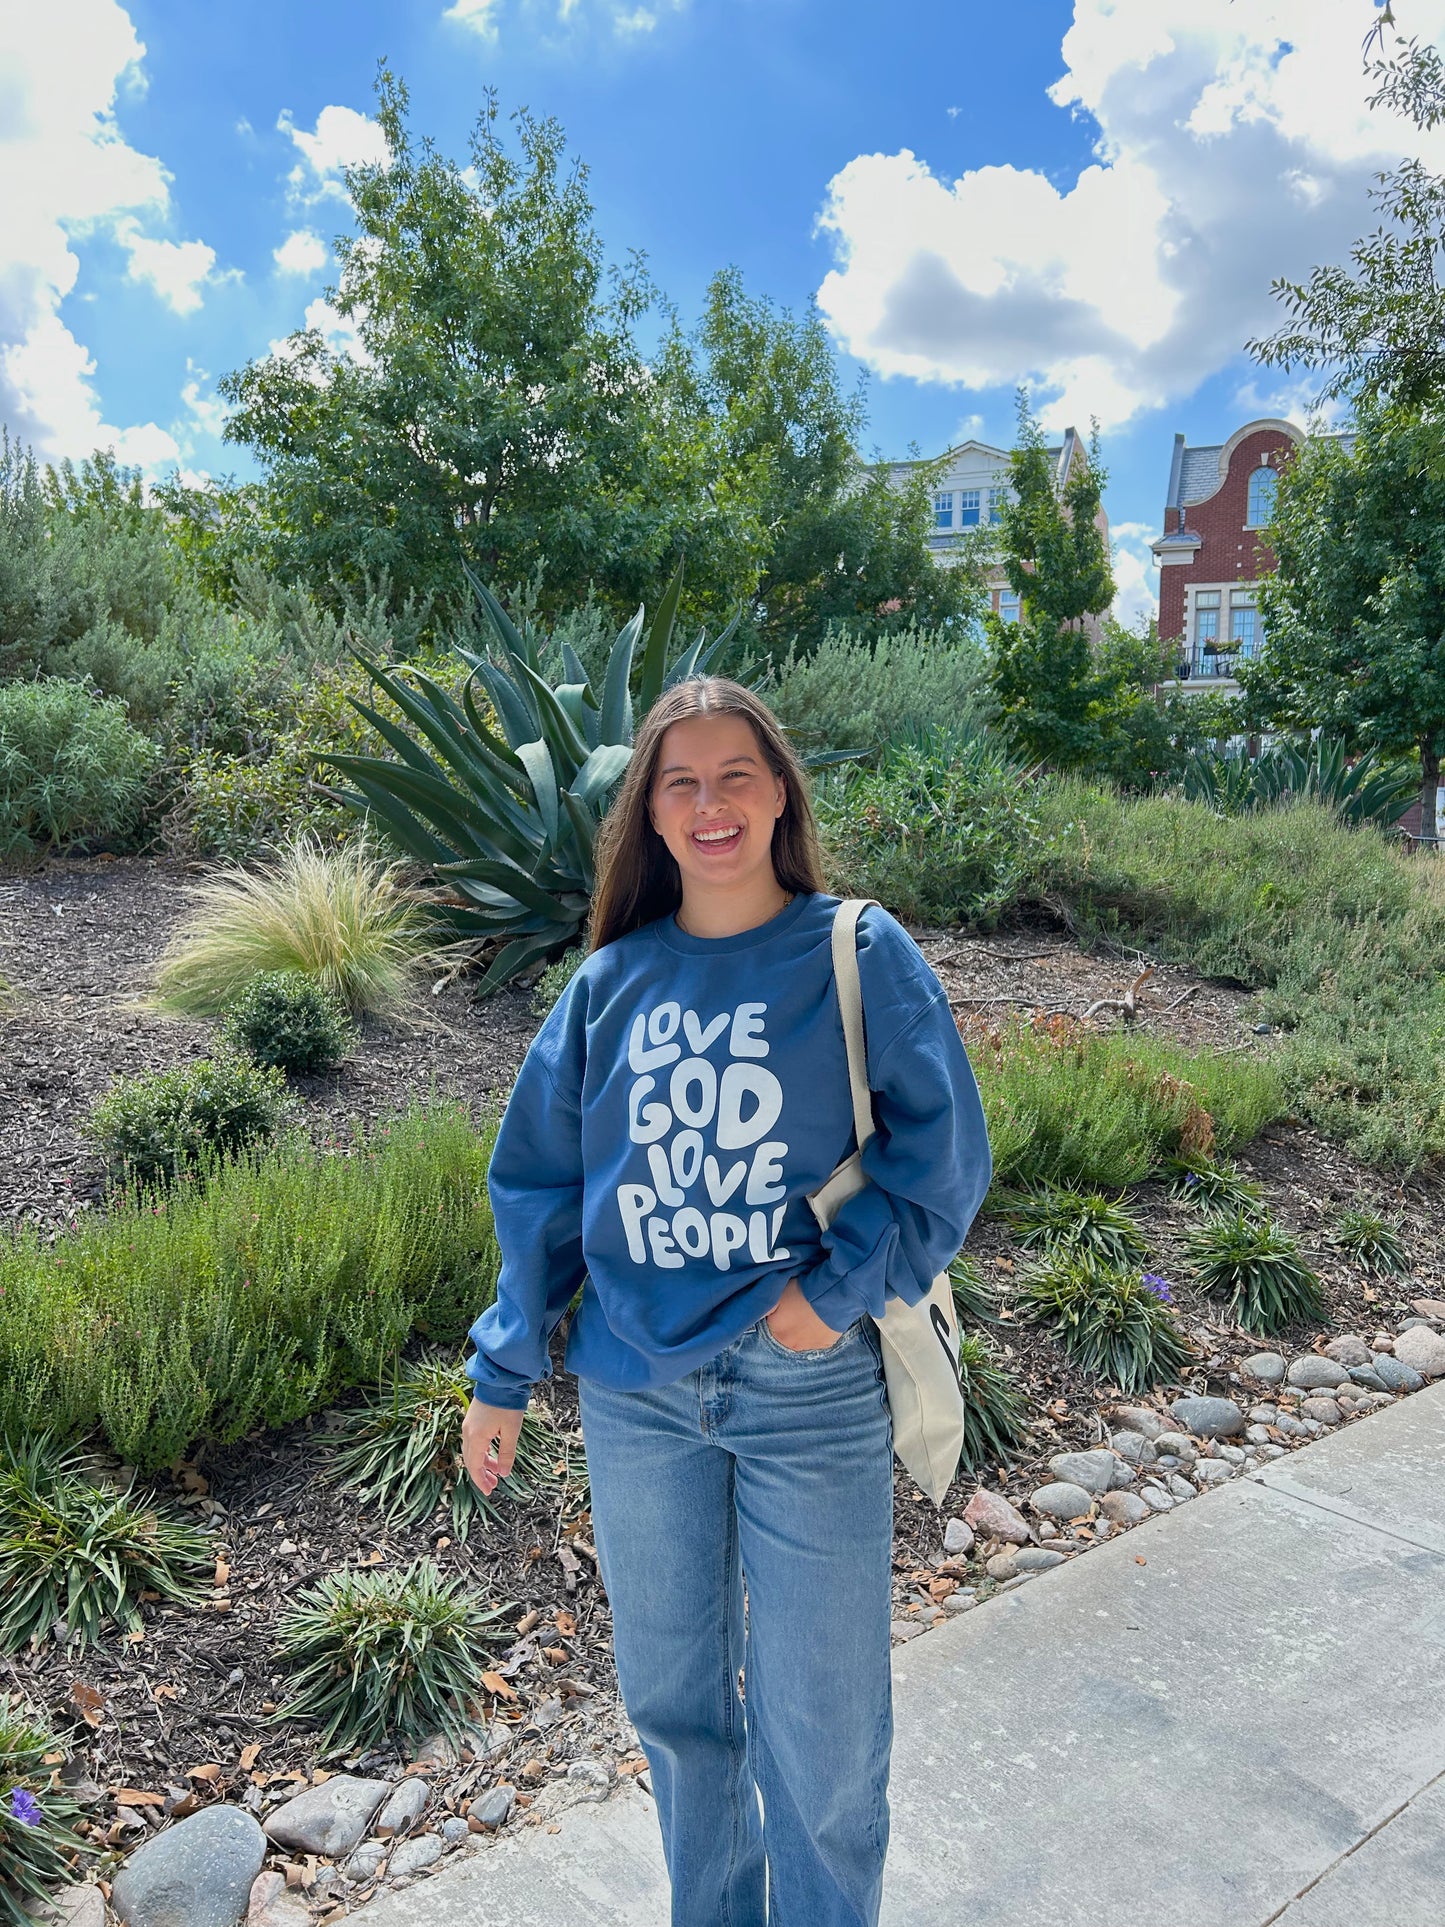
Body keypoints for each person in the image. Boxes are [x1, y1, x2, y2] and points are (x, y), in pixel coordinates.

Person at [461, 676, 991, 1927]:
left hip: (800, 1383)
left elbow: (942, 1161)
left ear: (777, 795)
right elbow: (537, 1183)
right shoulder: (609, 983)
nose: (709, 803)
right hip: (634, 1391)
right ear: (647, 813)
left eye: (734, 774)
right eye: (679, 780)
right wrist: (502, 1371)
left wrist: (829, 1295)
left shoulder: (854, 951)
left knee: (821, 1729)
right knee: (678, 1712)